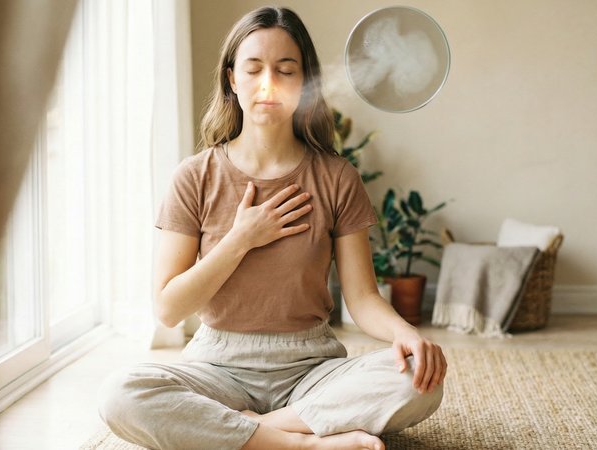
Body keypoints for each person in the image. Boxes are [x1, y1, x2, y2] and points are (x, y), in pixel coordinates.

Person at [98, 6, 446, 450]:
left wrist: (406, 334)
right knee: (120, 394)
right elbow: (169, 309)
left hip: (311, 369)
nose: (269, 83)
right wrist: (240, 239)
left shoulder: (337, 177)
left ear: (304, 82)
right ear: (231, 79)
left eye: (285, 70)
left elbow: (362, 298)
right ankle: (302, 443)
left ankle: (249, 431)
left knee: (419, 378)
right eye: (254, 68)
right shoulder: (194, 176)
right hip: (216, 368)